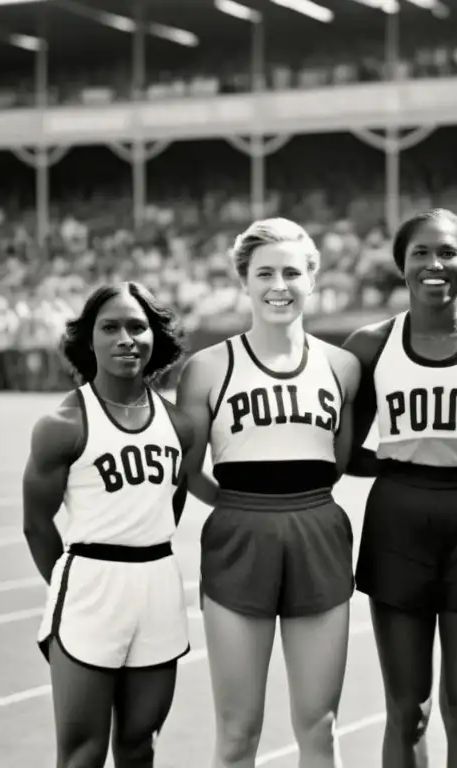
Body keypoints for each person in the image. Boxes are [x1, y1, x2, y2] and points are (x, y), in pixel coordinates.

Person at [343, 208, 457, 768]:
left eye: (447, 252)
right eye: (420, 253)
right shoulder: (370, 344)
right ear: (401, 264)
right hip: (398, 519)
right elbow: (343, 451)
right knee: (406, 710)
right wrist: (407, 464)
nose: (434, 264)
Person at [174, 217, 361, 768]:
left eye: (291, 272)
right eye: (265, 274)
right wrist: (240, 508)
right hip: (239, 536)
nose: (279, 285)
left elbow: (338, 460)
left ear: (311, 278)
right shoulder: (206, 368)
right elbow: (189, 470)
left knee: (320, 727)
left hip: (319, 532)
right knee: (237, 732)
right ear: (245, 282)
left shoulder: (342, 366)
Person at [23, 282, 195, 768]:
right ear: (90, 340)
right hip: (91, 588)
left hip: (158, 586)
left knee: (141, 747)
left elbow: (170, 508)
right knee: (83, 754)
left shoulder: (181, 425)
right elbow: (36, 524)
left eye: (137, 327)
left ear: (154, 338)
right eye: (111, 327)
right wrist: (75, 585)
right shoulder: (62, 424)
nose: (126, 338)